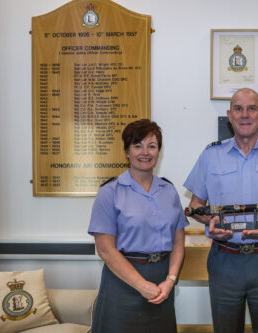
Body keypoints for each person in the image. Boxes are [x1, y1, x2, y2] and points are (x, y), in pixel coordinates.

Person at [184, 88, 258, 333]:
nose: (245, 114)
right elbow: (195, 205)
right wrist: (211, 222)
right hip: (224, 259)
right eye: (238, 108)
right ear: (229, 115)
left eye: (251, 108)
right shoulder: (210, 155)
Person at [88, 119, 188, 333]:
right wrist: (142, 286)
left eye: (152, 146)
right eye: (137, 145)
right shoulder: (110, 192)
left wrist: (170, 280)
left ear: (158, 151)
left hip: (162, 284)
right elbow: (105, 250)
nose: (145, 152)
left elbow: (178, 241)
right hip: (122, 283)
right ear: (126, 151)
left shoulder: (169, 191)